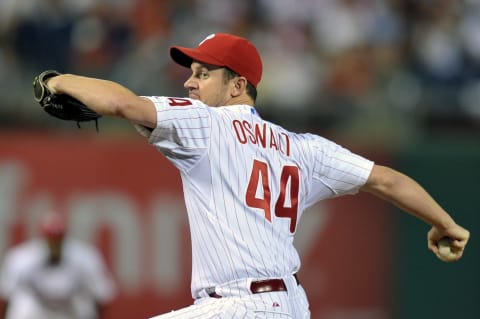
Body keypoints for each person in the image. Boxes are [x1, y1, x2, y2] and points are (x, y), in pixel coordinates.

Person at [38, 33, 470, 318]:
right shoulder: (304, 148)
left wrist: (59, 80)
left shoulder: (207, 123)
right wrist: (444, 223)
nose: (190, 84)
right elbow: (387, 180)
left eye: (203, 74)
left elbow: (121, 104)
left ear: (237, 86)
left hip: (239, 305)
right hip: (291, 305)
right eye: (190, 73)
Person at [0, 210, 116, 319]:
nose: (54, 244)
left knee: (84, 305)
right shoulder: (22, 258)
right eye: (51, 239)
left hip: (69, 312)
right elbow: (6, 296)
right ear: (43, 237)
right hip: (37, 312)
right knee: (21, 306)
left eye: (58, 239)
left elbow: (102, 295)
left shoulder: (84, 257)